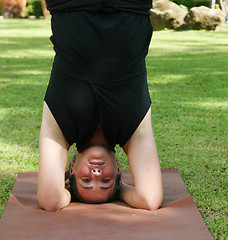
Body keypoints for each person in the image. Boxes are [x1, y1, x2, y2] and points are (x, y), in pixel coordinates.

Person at [37, 0, 163, 211]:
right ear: (117, 169)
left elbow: (50, 200)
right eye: (106, 183)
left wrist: (67, 192)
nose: (96, 175)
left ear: (71, 169)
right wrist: (120, 189)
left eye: (85, 181)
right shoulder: (133, 132)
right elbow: (149, 200)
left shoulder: (60, 128)